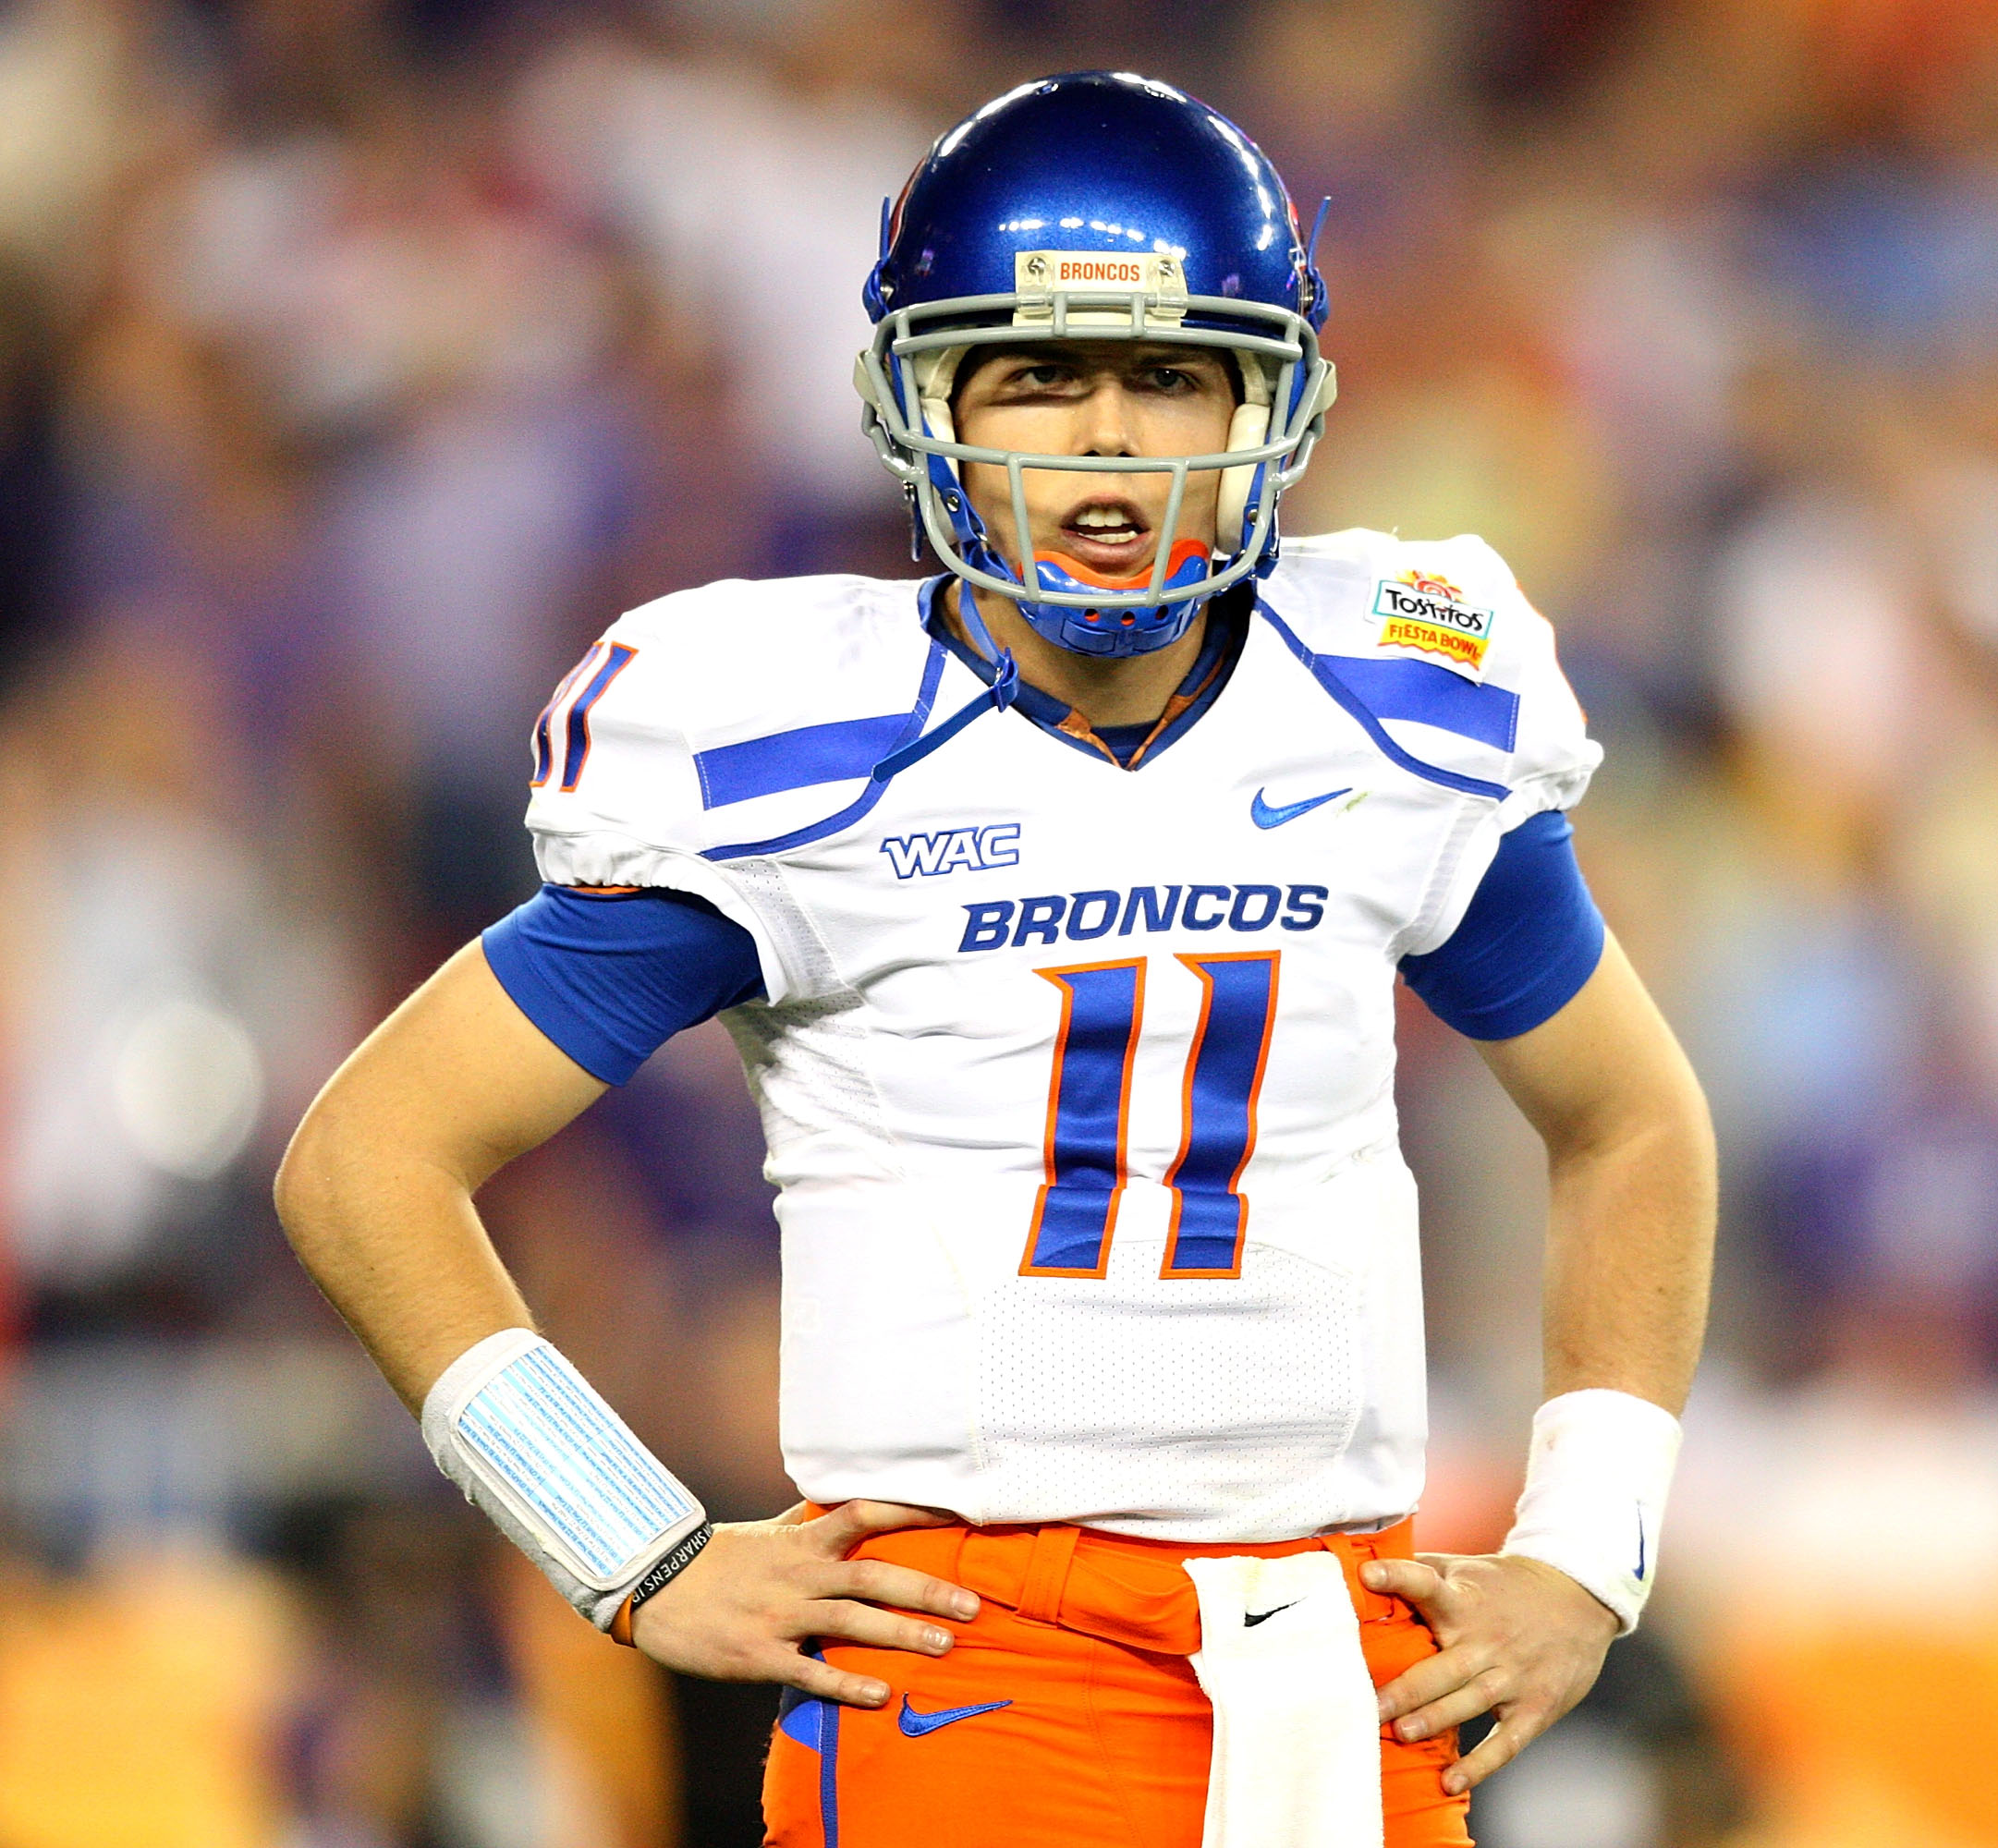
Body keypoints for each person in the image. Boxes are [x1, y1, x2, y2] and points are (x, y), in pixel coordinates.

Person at [276, 71, 1714, 1848]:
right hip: (974, 1664)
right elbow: (368, 1159)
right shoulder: (798, 745)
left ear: (1270, 402)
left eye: (1170, 374)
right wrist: (629, 1548)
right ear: (927, 405)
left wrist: (1585, 1547)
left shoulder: (1396, 696)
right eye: (1039, 374)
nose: (1106, 437)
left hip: (1347, 1664)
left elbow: (1634, 1121)